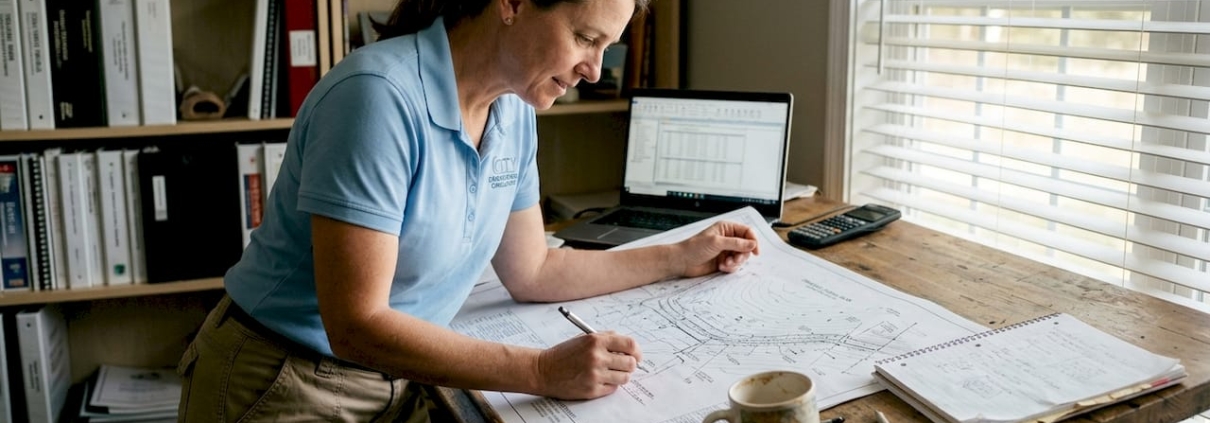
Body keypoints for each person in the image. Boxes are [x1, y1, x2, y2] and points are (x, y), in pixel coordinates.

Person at [176, 0, 761, 421]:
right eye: (585, 38)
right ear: (511, 4)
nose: (595, 69)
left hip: (402, 378)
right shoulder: (377, 97)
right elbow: (355, 324)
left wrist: (678, 256)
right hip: (284, 380)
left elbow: (535, 269)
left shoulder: (515, 109)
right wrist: (541, 372)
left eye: (607, 46)